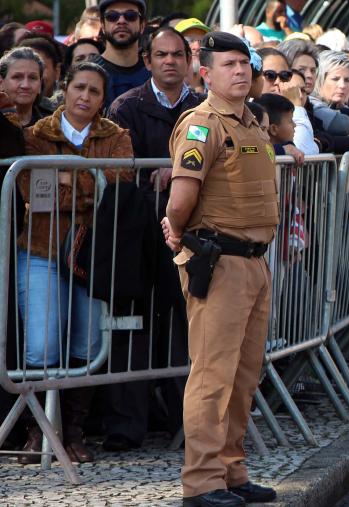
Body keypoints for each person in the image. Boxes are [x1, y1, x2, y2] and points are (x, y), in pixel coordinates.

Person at [162, 32, 278, 507]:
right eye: (229, 64)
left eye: (245, 63)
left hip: (253, 261)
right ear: (205, 73)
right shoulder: (202, 124)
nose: (241, 71)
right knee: (212, 376)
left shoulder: (251, 122)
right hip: (219, 261)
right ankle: (203, 481)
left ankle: (232, 471)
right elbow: (182, 198)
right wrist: (177, 228)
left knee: (245, 374)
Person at [16, 62, 134, 464]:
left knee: (89, 342)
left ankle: (75, 432)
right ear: (65, 89)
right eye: (79, 87)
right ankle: (40, 431)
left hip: (92, 253)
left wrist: (72, 179)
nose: (85, 96)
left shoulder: (116, 136)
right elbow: (33, 190)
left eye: (94, 91)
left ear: (104, 98)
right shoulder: (35, 135)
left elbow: (118, 191)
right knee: (42, 342)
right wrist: (91, 182)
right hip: (40, 248)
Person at [105, 26, 203, 452]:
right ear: (147, 61)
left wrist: (178, 178)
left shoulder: (203, 106)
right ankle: (127, 426)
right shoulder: (126, 106)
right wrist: (156, 178)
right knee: (133, 325)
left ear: (188, 60)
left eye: (177, 55)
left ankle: (187, 422)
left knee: (187, 325)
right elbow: (117, 169)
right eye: (161, 55)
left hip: (189, 231)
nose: (169, 62)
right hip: (137, 230)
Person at [96, 0, 151, 108]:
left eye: (130, 16)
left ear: (142, 25)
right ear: (102, 25)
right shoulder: (88, 72)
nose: (121, 21)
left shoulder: (154, 74)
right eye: (112, 16)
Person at [0, 47, 44, 128]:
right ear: (1, 83)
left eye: (32, 78)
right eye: (17, 77)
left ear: (40, 85)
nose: (25, 85)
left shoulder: (52, 127)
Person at [175, 18, 211, 94]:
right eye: (189, 41)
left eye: (201, 41)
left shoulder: (216, 86)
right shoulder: (166, 90)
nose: (197, 47)